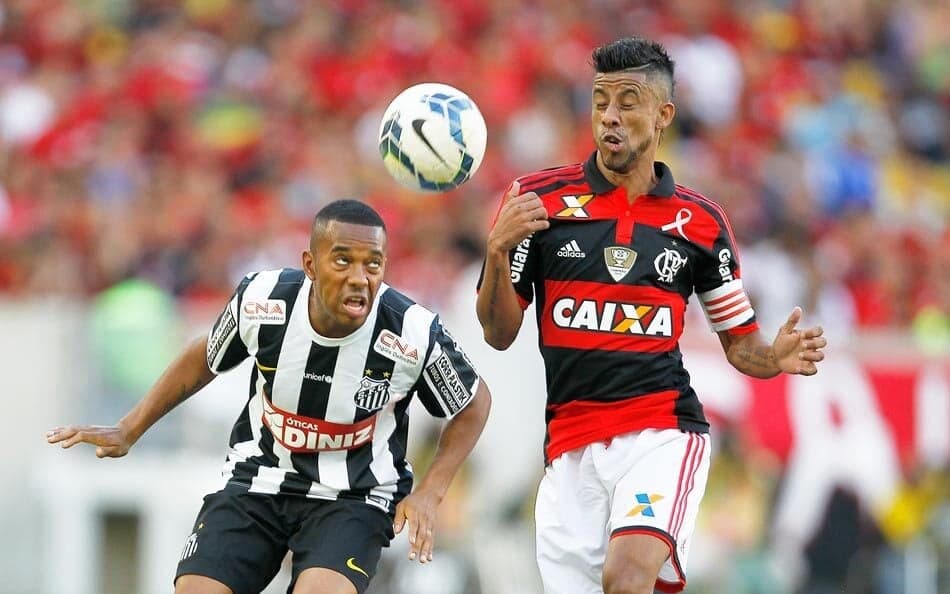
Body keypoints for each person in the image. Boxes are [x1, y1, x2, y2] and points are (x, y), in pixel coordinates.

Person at [476, 37, 826, 594]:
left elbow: (741, 345)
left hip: (661, 432)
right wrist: (496, 254)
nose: (609, 117)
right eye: (599, 101)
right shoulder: (537, 201)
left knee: (628, 575)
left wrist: (773, 357)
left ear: (663, 115)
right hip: (568, 447)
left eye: (628, 101)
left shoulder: (702, 223)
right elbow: (498, 334)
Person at [47, 199, 492, 594]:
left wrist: (431, 493)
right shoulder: (264, 301)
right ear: (310, 264)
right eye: (343, 261)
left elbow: (473, 402)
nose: (360, 278)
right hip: (258, 479)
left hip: (353, 497)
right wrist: (130, 428)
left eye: (372, 264)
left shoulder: (410, 332)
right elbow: (206, 356)